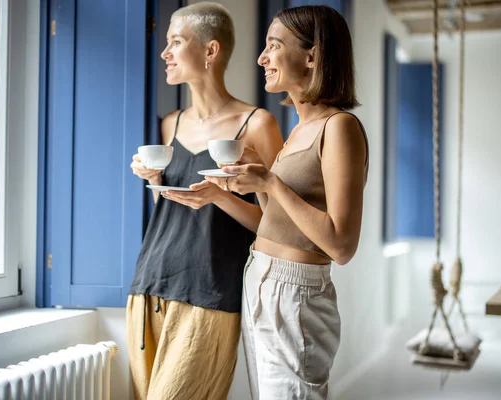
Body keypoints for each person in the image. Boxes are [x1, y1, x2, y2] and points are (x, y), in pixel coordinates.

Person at [207, 5, 369, 399]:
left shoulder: (339, 127)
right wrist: (252, 181)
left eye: (273, 46)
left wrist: (273, 183)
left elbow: (342, 245)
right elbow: (276, 221)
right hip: (261, 277)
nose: (262, 58)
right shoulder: (299, 130)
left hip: (296, 295)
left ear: (312, 56)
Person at [126, 3, 284, 400]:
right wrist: (152, 175)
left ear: (210, 51)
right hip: (149, 285)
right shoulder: (169, 124)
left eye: (176, 42)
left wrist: (219, 196)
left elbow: (277, 225)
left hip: (210, 293)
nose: (165, 54)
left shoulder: (257, 125)